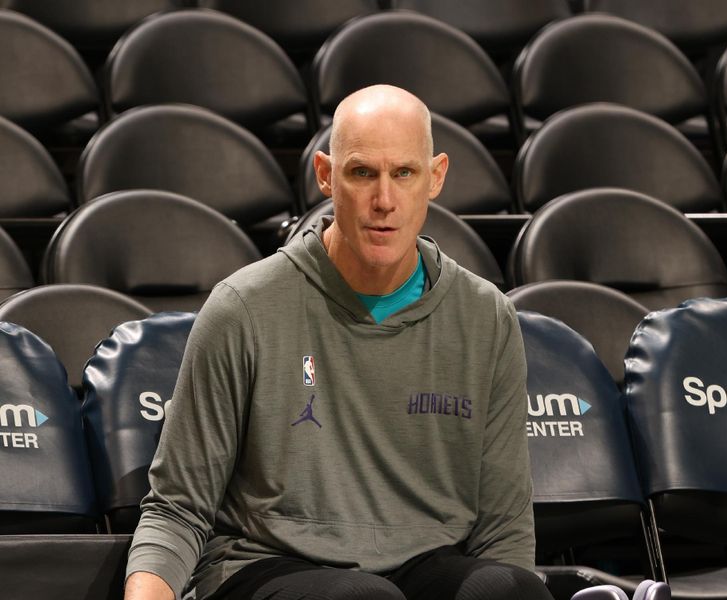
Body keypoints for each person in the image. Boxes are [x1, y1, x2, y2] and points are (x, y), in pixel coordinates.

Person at [124, 84, 551, 600]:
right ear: (326, 174)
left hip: (427, 563)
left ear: (435, 177)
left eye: (404, 173)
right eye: (362, 172)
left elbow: (504, 529)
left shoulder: (487, 317)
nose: (384, 201)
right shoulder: (244, 307)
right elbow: (178, 507)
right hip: (268, 562)